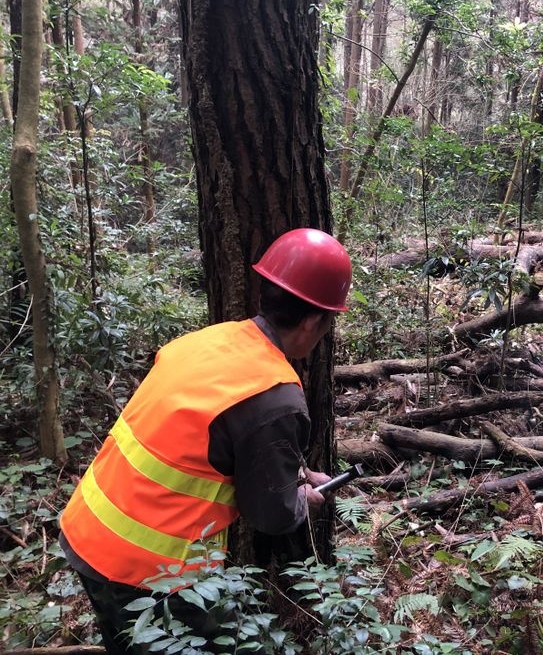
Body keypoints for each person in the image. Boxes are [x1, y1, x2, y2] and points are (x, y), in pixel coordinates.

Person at [58, 228, 352, 653]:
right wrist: (302, 498)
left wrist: (297, 471)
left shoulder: (206, 342)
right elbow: (271, 514)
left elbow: (207, 439)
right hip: (146, 571)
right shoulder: (276, 396)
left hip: (87, 529)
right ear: (312, 321)